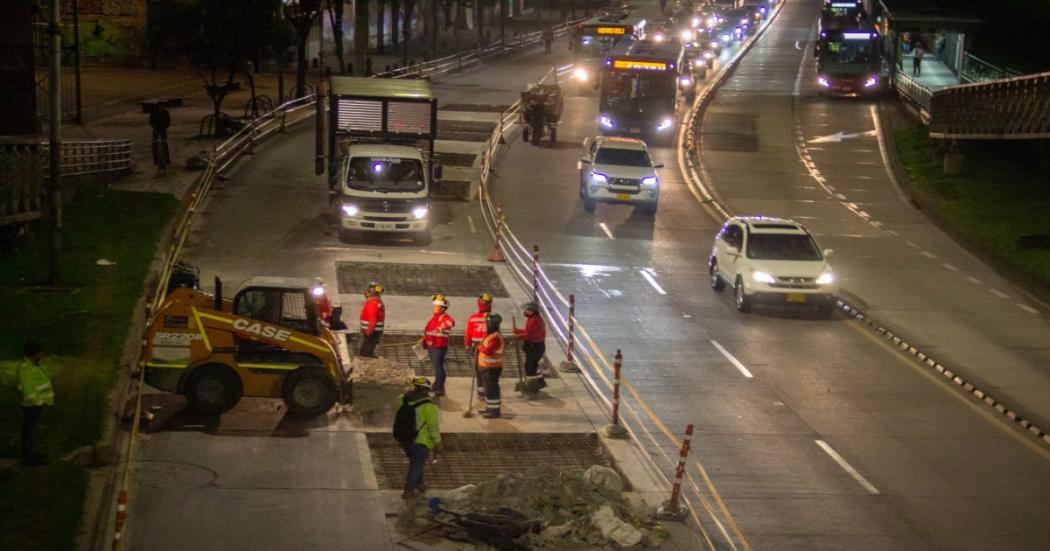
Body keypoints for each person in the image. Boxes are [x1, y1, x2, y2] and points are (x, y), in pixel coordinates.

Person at [395, 377, 440, 498]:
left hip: (404, 438)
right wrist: (437, 441)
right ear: (426, 390)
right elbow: (432, 426)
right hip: (420, 440)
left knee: (416, 461)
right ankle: (408, 490)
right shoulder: (428, 406)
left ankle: (420, 484)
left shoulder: (403, 399)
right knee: (417, 464)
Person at [17, 341, 53, 467]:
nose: (42, 355)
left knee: (33, 431)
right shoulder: (26, 369)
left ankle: (33, 453)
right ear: (34, 354)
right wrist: (38, 402)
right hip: (32, 406)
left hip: (37, 405)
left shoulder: (35, 365)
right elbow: (28, 390)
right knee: (30, 432)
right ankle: (29, 458)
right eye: (40, 353)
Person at [419, 294, 455, 396]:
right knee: (437, 367)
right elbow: (429, 330)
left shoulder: (444, 318)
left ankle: (439, 388)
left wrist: (440, 328)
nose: (434, 308)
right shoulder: (434, 318)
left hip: (438, 347)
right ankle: (437, 385)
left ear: (442, 308)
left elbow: (451, 322)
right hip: (432, 346)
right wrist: (424, 339)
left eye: (436, 306)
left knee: (438, 367)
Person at [465, 293, 493, 399]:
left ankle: (481, 390)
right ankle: (487, 390)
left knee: (479, 369)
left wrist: (468, 346)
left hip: (477, 347)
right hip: (489, 347)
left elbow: (468, 334)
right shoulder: (493, 317)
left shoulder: (473, 318)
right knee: (488, 369)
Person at [476, 313, 505, 418]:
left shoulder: (495, 338)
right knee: (488, 389)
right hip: (486, 367)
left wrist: (479, 348)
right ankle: (489, 408)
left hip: (492, 368)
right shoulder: (490, 335)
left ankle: (494, 411)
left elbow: (487, 351)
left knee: (492, 389)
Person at [514, 302, 547, 390]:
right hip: (536, 346)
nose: (525, 312)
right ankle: (538, 383)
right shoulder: (534, 319)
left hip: (534, 347)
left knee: (530, 367)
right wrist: (519, 331)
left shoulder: (533, 320)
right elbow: (529, 331)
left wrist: (517, 336)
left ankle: (532, 387)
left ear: (531, 311)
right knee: (531, 365)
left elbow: (528, 335)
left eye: (526, 310)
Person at [358, 282, 385, 357]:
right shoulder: (377, 302)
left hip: (371, 332)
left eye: (368, 291)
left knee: (365, 353)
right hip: (374, 332)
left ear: (372, 292)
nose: (366, 293)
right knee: (367, 350)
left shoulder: (373, 303)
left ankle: (370, 365)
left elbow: (372, 319)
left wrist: (369, 331)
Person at [149, 102, 171, 175]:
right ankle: (156, 160)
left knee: (164, 143)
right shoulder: (154, 112)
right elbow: (151, 120)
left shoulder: (166, 112)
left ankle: (167, 159)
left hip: (162, 129)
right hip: (156, 129)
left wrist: (165, 126)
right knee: (154, 144)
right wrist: (154, 126)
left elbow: (168, 121)